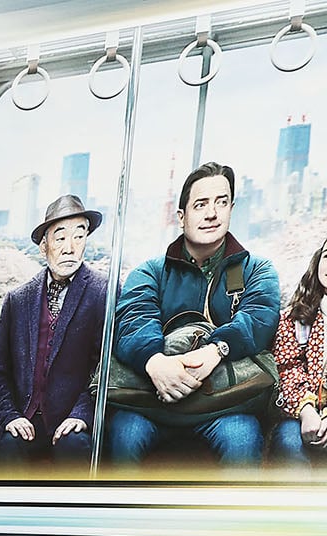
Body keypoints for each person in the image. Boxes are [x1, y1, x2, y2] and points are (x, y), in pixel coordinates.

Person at [108, 162, 280, 465]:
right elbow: (134, 319)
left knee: (243, 438)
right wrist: (155, 362)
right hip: (151, 402)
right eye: (200, 204)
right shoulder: (150, 272)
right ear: (181, 216)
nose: (212, 213)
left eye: (221, 202)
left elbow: (259, 318)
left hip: (226, 405)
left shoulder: (257, 270)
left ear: (231, 208)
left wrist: (217, 350)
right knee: (124, 434)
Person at [0, 194, 107, 465]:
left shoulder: (103, 292)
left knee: (75, 452)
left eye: (79, 236)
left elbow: (105, 369)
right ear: (44, 246)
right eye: (60, 237)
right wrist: (10, 415)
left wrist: (81, 414)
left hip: (71, 422)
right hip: (24, 419)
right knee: (6, 455)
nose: (70, 247)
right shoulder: (18, 299)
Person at [271, 234, 327, 464]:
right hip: (300, 412)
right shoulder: (295, 317)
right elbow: (286, 368)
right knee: (289, 442)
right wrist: (307, 411)